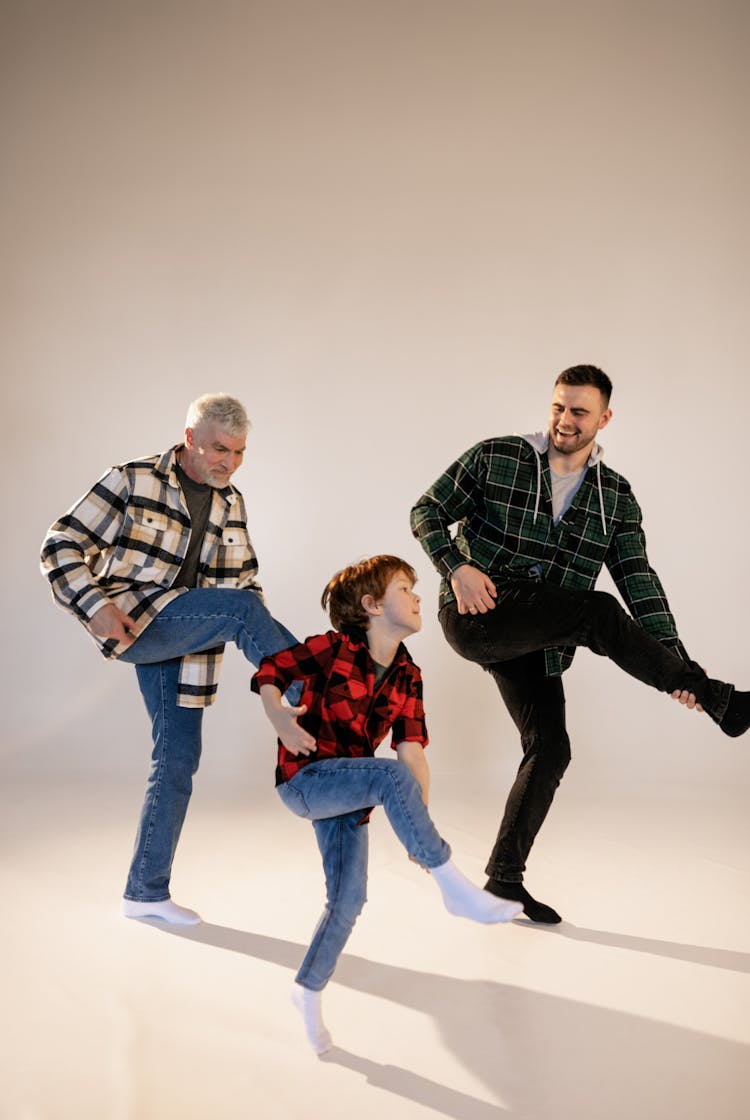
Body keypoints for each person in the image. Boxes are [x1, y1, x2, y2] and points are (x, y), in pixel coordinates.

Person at [410, 364, 750, 925]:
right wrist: (457, 567)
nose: (565, 421)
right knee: (595, 612)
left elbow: (641, 585)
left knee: (551, 748)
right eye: (558, 408)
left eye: (579, 412)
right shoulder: (498, 456)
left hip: (540, 639)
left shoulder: (615, 497)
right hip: (479, 614)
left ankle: (503, 881)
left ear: (605, 418)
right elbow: (425, 511)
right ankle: (720, 701)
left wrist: (679, 666)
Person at [40, 393, 300, 925]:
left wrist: (264, 647)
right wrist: (96, 607)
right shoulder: (132, 480)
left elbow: (244, 584)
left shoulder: (232, 502)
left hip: (191, 639)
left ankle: (145, 892)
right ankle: (322, 694)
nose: (228, 462)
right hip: (139, 620)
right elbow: (60, 543)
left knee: (177, 760)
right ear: (189, 439)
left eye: (240, 452)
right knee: (245, 612)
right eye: (219, 449)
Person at [251, 555, 522, 1054]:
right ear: (372, 605)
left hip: (354, 790)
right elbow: (271, 670)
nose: (418, 597)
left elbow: (412, 752)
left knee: (348, 901)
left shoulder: (408, 675)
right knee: (387, 776)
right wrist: (280, 719)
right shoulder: (331, 648)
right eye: (405, 587)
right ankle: (455, 888)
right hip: (306, 781)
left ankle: (306, 994)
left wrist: (421, 829)